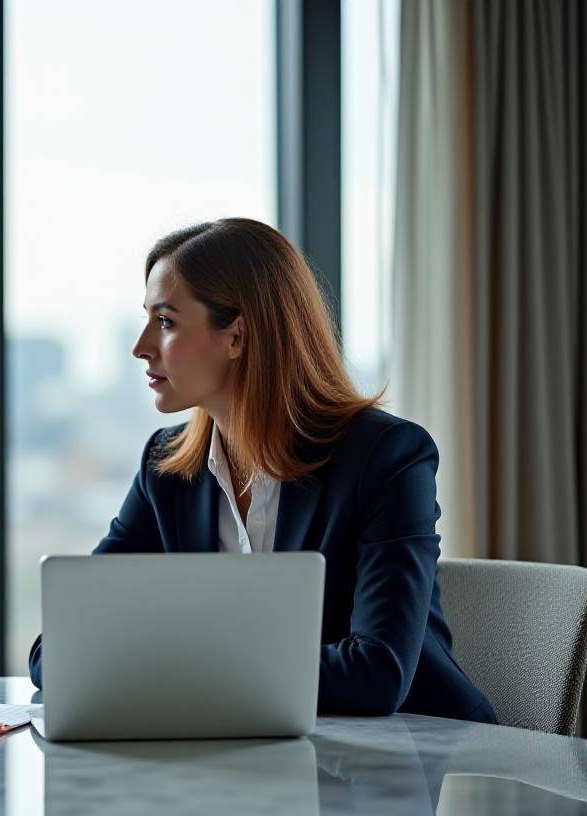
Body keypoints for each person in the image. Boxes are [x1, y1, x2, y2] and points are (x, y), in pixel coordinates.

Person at [27, 218, 495, 723]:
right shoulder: (166, 469)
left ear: (237, 337)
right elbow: (58, 652)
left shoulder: (386, 458)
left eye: (165, 322)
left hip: (424, 766)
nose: (141, 346)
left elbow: (375, 675)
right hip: (255, 765)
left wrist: (168, 667)